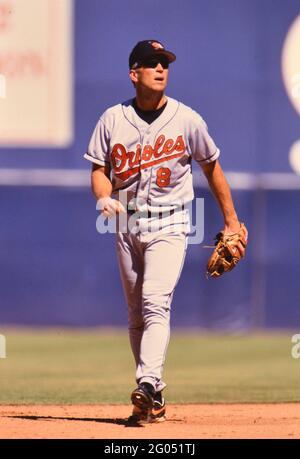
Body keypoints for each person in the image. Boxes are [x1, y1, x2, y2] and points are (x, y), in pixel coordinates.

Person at [84, 39, 246, 424]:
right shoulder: (112, 119)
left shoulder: (187, 119)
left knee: (156, 300)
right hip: (125, 222)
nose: (161, 68)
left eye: (165, 63)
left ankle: (147, 380)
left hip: (171, 222)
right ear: (134, 73)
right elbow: (97, 170)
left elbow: (212, 167)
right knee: (136, 314)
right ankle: (153, 399)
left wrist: (231, 220)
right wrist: (103, 197)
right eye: (152, 63)